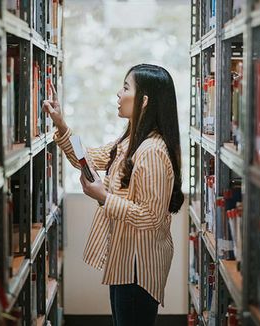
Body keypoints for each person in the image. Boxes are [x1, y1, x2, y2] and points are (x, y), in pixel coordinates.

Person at [43, 63, 184, 326]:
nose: (118, 94)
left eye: (125, 87)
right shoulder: (131, 141)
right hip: (125, 260)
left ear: (144, 101)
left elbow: (150, 217)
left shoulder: (151, 151)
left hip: (138, 268)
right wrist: (61, 125)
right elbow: (86, 159)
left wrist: (104, 197)